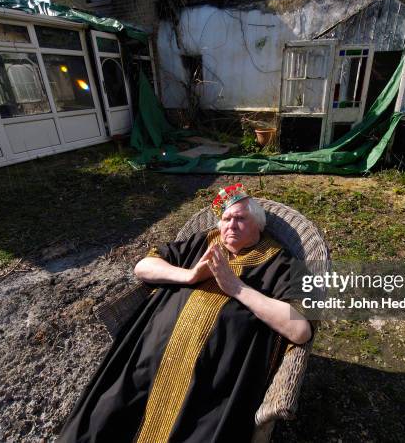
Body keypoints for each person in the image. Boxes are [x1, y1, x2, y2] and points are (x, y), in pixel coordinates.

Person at [58, 183, 312, 443]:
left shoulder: (281, 264)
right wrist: (189, 276)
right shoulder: (203, 242)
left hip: (215, 380)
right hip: (150, 359)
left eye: (240, 218)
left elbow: (301, 330)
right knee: (105, 420)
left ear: (259, 225)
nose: (230, 225)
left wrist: (237, 288)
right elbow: (143, 267)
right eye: (225, 219)